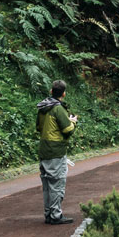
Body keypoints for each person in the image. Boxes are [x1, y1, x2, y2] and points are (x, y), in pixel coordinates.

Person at [36, 79, 78, 224]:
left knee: (47, 184)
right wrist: (72, 121)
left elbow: (39, 128)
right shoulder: (58, 108)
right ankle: (55, 215)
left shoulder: (42, 107)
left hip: (44, 150)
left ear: (51, 91)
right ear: (64, 94)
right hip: (56, 151)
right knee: (57, 183)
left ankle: (48, 213)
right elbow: (67, 130)